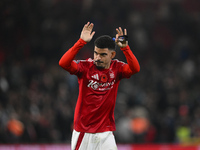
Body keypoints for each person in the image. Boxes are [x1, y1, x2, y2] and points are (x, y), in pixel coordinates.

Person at [59, 22, 140, 150]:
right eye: (96, 53)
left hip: (106, 133)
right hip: (84, 132)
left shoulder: (117, 68)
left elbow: (135, 68)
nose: (97, 57)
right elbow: (63, 63)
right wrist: (81, 42)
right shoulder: (85, 68)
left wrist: (125, 48)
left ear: (112, 55)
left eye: (103, 55)